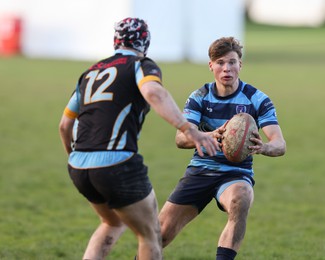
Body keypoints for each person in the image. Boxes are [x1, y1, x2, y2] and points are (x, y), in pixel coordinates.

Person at [58, 17, 219, 260]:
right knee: (150, 234)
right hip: (117, 164)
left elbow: (64, 125)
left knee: (111, 223)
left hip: (80, 166)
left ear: (116, 40)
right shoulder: (140, 64)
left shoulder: (90, 73)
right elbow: (153, 92)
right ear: (145, 41)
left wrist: (74, 159)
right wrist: (190, 130)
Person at [158, 37, 286, 260]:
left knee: (242, 196)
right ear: (211, 66)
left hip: (236, 173)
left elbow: (279, 143)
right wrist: (208, 136)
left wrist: (264, 147)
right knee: (159, 236)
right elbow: (180, 139)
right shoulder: (199, 97)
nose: (226, 68)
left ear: (240, 65)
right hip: (200, 170)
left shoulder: (257, 99)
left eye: (232, 62)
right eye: (220, 62)